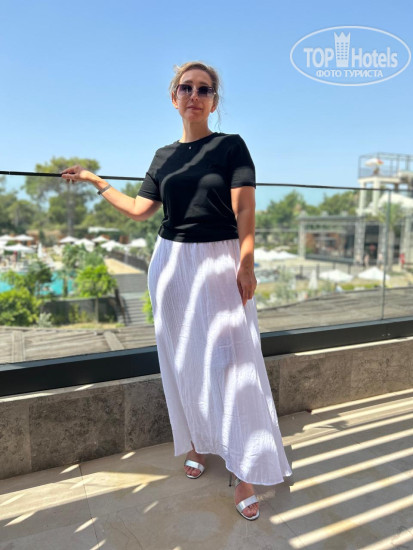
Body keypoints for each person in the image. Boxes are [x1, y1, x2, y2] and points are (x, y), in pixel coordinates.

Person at [61, 61, 291, 521]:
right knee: (184, 361)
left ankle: (244, 467)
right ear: (174, 97)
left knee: (233, 364)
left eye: (204, 89)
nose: (195, 95)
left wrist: (247, 262)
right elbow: (140, 210)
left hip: (221, 260)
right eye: (186, 88)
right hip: (171, 265)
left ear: (214, 101)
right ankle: (197, 442)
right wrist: (95, 181)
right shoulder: (163, 156)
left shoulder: (230, 145)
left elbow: (245, 211)